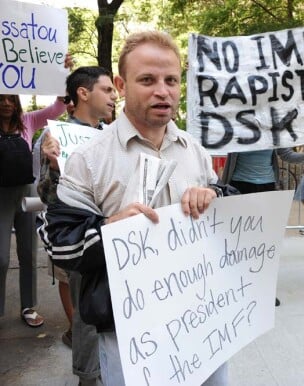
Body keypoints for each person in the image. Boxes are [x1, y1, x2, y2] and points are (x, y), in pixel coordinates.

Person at [36, 31, 229, 386]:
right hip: (131, 335)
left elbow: (228, 222)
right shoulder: (88, 158)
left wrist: (214, 197)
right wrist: (110, 228)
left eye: (171, 80)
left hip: (204, 320)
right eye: (147, 80)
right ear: (122, 85)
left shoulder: (196, 151)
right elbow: (59, 242)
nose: (163, 90)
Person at [37, 66, 118, 385]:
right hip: (82, 239)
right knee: (88, 311)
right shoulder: (56, 137)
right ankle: (89, 377)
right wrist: (55, 168)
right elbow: (46, 195)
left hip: (114, 230)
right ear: (84, 93)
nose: (114, 96)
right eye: (107, 90)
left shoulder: (111, 135)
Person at [0, 53, 73, 328]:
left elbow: (58, 108)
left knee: (29, 254)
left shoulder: (28, 122)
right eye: (1, 98)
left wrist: (62, 74)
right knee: (1, 258)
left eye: (10, 98)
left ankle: (28, 306)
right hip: (0, 196)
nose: (6, 103)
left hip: (27, 193)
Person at [221, 145, 304, 306]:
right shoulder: (237, 123)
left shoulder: (272, 126)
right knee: (239, 242)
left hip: (267, 187)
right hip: (238, 187)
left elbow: (286, 155)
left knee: (263, 244)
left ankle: (263, 289)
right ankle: (238, 289)